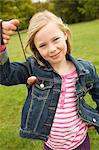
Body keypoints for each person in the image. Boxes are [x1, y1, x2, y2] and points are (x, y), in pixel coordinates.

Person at [0, 10, 99, 150]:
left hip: (81, 143)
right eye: (43, 45)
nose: (52, 49)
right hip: (52, 146)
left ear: (64, 34)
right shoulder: (32, 69)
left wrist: (94, 115)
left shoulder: (85, 69)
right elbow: (5, 76)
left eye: (55, 39)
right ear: (36, 49)